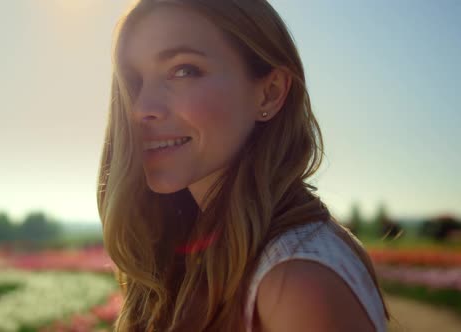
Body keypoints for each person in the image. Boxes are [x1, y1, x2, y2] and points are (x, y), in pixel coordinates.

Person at [97, 0, 390, 331]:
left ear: (269, 93)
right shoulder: (180, 254)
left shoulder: (297, 284)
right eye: (133, 80)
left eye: (183, 70)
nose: (141, 108)